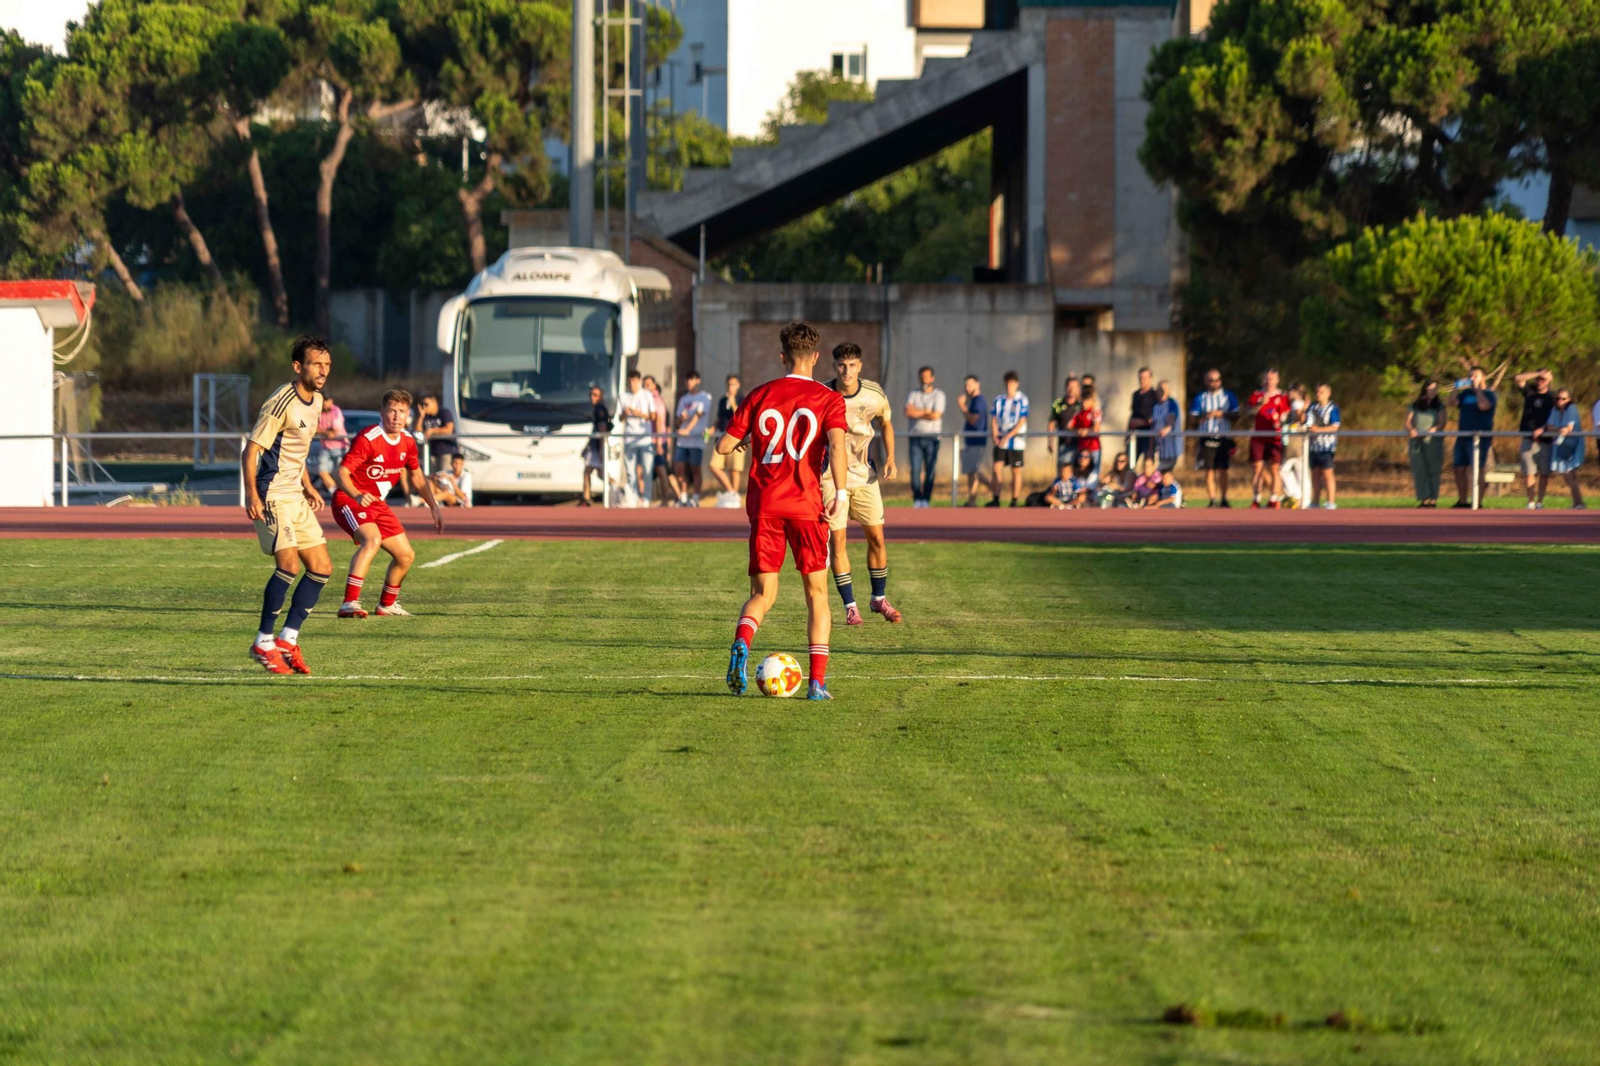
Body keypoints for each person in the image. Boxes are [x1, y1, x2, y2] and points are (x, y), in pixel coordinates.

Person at [718, 321, 850, 701]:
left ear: (782, 357)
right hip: (806, 507)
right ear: (816, 357)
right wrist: (840, 494)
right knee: (817, 594)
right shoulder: (828, 399)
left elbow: (724, 448)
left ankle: (743, 639)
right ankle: (816, 683)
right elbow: (838, 447)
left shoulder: (760, 394)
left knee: (762, 593)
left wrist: (741, 440)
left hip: (766, 506)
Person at [241, 336, 335, 675]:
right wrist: (252, 495)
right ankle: (263, 641)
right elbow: (250, 451)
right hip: (271, 495)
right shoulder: (281, 402)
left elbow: (298, 451)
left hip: (295, 494)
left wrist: (309, 486)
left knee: (322, 566)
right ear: (298, 367)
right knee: (289, 564)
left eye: (326, 364)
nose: (323, 371)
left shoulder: (317, 401)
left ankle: (288, 640)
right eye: (316, 364)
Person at [331, 389, 444, 618]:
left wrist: (433, 506)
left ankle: (386, 605)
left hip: (377, 504)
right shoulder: (368, 438)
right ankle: (349, 602)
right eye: (391, 410)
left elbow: (417, 477)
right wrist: (357, 495)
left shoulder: (408, 441)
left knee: (406, 556)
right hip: (349, 500)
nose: (396, 416)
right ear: (381, 412)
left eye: (401, 411)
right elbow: (340, 473)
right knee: (372, 539)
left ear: (407, 415)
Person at [826, 342, 903, 625]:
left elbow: (887, 422)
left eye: (852, 365)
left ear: (860, 366)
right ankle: (850, 606)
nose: (846, 371)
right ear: (834, 366)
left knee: (878, 539)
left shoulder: (874, 394)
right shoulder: (822, 393)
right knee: (839, 541)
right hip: (830, 477)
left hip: (864, 474)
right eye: (842, 366)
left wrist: (891, 457)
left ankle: (878, 599)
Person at [1452, 364, 1503, 507]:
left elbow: (1484, 406)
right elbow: (1452, 402)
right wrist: (1455, 388)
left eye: (1475, 376)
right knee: (1459, 468)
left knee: (1477, 469)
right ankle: (1462, 501)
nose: (1471, 378)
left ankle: (1477, 502)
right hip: (1462, 436)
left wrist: (1478, 389)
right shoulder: (1465, 394)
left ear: (1483, 377)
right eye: (1470, 376)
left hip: (1479, 438)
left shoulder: (1489, 394)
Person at [1189, 369, 1239, 506]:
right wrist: (1205, 416)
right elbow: (1193, 418)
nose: (1214, 383)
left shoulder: (1228, 396)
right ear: (1206, 382)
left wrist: (1221, 414)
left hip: (1223, 436)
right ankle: (1212, 499)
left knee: (1223, 469)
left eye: (1217, 380)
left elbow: (1236, 416)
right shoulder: (1201, 397)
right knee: (1209, 469)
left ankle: (1224, 498)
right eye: (1211, 380)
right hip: (1206, 436)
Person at [1246, 368, 1291, 508]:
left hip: (1275, 437)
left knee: (1274, 468)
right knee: (1257, 468)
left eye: (1271, 379)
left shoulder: (1283, 397)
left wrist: (1281, 422)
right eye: (1266, 379)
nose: (1269, 381)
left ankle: (1274, 498)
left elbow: (1287, 416)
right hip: (1258, 436)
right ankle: (1256, 499)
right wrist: (1261, 404)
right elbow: (1249, 412)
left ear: (1277, 380)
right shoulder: (1256, 395)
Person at [1513, 369, 1556, 509]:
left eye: (1542, 379)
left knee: (1544, 473)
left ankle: (1540, 502)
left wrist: (1543, 429)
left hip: (1546, 440)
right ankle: (1531, 501)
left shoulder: (1553, 397)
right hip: (1528, 438)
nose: (1539, 381)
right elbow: (1518, 378)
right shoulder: (1530, 391)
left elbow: (1555, 418)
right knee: (1529, 472)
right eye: (1538, 379)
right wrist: (1537, 374)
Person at [904, 365, 945, 508]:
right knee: (915, 470)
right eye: (922, 376)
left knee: (930, 470)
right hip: (915, 437)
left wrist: (919, 412)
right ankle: (917, 498)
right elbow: (908, 412)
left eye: (927, 376)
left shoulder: (939, 395)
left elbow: (936, 415)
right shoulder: (913, 394)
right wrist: (926, 412)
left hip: (932, 438)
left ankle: (926, 499)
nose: (924, 379)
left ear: (932, 378)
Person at [672, 369, 712, 506]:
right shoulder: (683, 399)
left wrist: (687, 430)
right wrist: (681, 421)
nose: (689, 382)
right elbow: (677, 421)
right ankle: (683, 496)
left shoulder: (704, 397)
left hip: (696, 438)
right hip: (682, 441)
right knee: (679, 468)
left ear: (698, 380)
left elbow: (698, 415)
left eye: (692, 379)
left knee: (695, 468)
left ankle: (695, 497)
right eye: (687, 379)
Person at [990, 370, 1029, 507]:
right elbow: (994, 418)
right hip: (1001, 440)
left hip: (1015, 440)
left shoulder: (1022, 399)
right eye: (1007, 384)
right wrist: (995, 434)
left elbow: (1022, 420)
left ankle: (1014, 500)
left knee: (1016, 470)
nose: (1009, 387)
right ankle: (996, 498)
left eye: (1012, 384)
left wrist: (1008, 436)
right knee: (996, 468)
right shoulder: (999, 400)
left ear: (1016, 384)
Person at [1406, 379, 1448, 507]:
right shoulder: (1415, 405)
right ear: (1425, 389)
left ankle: (1433, 499)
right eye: (1431, 389)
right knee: (1419, 469)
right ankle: (1423, 498)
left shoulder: (1439, 406)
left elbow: (1442, 422)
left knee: (1434, 469)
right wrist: (1412, 430)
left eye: (1435, 389)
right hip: (1416, 441)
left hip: (1433, 442)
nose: (1433, 392)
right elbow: (1408, 421)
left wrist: (1433, 430)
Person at [957, 374, 996, 506]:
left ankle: (995, 489)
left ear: (977, 384)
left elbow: (973, 419)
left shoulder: (978, 400)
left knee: (973, 470)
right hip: (970, 440)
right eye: (965, 385)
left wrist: (962, 406)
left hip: (976, 440)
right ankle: (972, 500)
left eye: (969, 385)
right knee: (970, 471)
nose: (967, 388)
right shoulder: (973, 400)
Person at [618, 370, 656, 505]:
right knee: (630, 472)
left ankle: (646, 498)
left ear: (639, 382)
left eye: (634, 381)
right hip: (629, 438)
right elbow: (619, 418)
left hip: (644, 439)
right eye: (630, 382)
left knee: (647, 469)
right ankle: (633, 497)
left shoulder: (647, 395)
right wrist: (625, 413)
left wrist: (639, 413)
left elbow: (653, 416)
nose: (632, 385)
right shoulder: (623, 396)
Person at [1546, 387, 1586, 509]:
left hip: (1573, 446)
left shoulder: (1571, 409)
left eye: (1563, 398)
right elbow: (1549, 426)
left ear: (1569, 399)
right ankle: (1577, 502)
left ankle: (1579, 503)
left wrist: (1563, 430)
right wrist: (1559, 430)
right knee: (1567, 475)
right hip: (1561, 445)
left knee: (1569, 474)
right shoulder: (1555, 410)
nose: (1560, 401)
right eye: (1558, 398)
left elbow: (1569, 428)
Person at [708, 374, 745, 505]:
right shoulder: (723, 400)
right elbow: (719, 419)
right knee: (713, 465)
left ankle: (734, 497)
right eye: (729, 384)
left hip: (736, 438)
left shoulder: (742, 399)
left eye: (733, 384)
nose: (730, 387)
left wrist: (733, 402)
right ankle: (731, 493)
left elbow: (740, 416)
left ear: (738, 385)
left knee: (734, 469)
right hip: (721, 437)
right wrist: (710, 430)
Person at [1305, 383, 1340, 509]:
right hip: (1313, 446)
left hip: (1326, 446)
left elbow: (1335, 427)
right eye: (1317, 392)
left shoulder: (1332, 408)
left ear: (1328, 393)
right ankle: (1315, 501)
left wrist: (1318, 430)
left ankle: (1330, 501)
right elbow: (1307, 421)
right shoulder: (1312, 406)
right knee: (1315, 474)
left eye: (1321, 392)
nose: (1318, 395)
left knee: (1327, 473)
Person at [580, 385, 611, 507]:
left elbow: (602, 430)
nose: (592, 397)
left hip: (598, 446)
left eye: (595, 395)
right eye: (591, 395)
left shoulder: (600, 410)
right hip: (595, 445)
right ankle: (586, 497)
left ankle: (617, 488)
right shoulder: (597, 409)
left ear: (601, 397)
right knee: (592, 471)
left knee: (594, 472)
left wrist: (601, 450)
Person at [1279, 384, 1309, 507]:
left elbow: (1300, 419)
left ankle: (1300, 497)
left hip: (1297, 441)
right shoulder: (1293, 404)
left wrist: (1301, 412)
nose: (1289, 393)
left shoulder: (1297, 403)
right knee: (1298, 472)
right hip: (1295, 441)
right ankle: (1300, 497)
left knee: (1285, 470)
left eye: (1292, 391)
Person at [644, 375, 672, 505]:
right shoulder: (647, 399)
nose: (646, 387)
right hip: (650, 440)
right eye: (645, 384)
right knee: (647, 470)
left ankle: (666, 499)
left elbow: (660, 421)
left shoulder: (656, 400)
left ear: (655, 385)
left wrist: (659, 442)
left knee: (661, 470)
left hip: (657, 441)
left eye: (649, 384)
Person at [413, 393, 458, 474]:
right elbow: (417, 432)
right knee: (432, 478)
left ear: (434, 402)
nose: (424, 407)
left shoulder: (444, 412)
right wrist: (421, 416)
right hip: (431, 451)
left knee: (444, 477)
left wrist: (432, 430)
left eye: (426, 404)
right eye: (422, 404)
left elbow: (449, 429)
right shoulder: (425, 416)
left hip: (446, 451)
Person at [312, 395, 347, 494]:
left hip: (340, 447)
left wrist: (322, 431)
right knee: (322, 472)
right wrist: (326, 432)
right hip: (325, 447)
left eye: (326, 401)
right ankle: (336, 494)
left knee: (341, 474)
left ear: (331, 401)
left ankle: (345, 495)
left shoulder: (336, 411)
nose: (324, 404)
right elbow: (313, 428)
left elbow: (335, 430)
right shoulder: (318, 412)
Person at [1046, 376, 1082, 468]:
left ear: (1078, 388)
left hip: (1079, 443)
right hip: (1064, 443)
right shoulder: (1058, 403)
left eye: (1074, 387)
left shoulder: (1081, 404)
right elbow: (1051, 423)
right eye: (1069, 386)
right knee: (1063, 471)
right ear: (1065, 388)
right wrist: (1050, 441)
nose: (1071, 389)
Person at [1151, 380, 1182, 473]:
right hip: (1159, 447)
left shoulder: (1172, 403)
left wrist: (1167, 428)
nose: (1161, 392)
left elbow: (1171, 417)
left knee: (1164, 474)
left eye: (1163, 390)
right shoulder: (1155, 406)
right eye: (1159, 390)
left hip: (1171, 448)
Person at [1128, 367, 1158, 464]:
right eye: (1140, 378)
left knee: (1148, 463)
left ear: (1150, 379)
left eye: (1145, 378)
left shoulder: (1154, 395)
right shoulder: (1136, 395)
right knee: (1131, 462)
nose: (1142, 380)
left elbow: (1154, 417)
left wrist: (1141, 422)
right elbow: (1133, 413)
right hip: (1135, 434)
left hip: (1149, 435)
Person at [1069, 388, 1102, 474]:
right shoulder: (1078, 413)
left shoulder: (1095, 412)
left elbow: (1096, 428)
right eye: (1083, 401)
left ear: (1092, 401)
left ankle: (1092, 487)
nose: (1084, 404)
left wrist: (1086, 431)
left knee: (1094, 472)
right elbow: (1070, 426)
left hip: (1093, 447)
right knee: (1080, 471)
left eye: (1087, 401)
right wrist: (1077, 430)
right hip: (1082, 448)